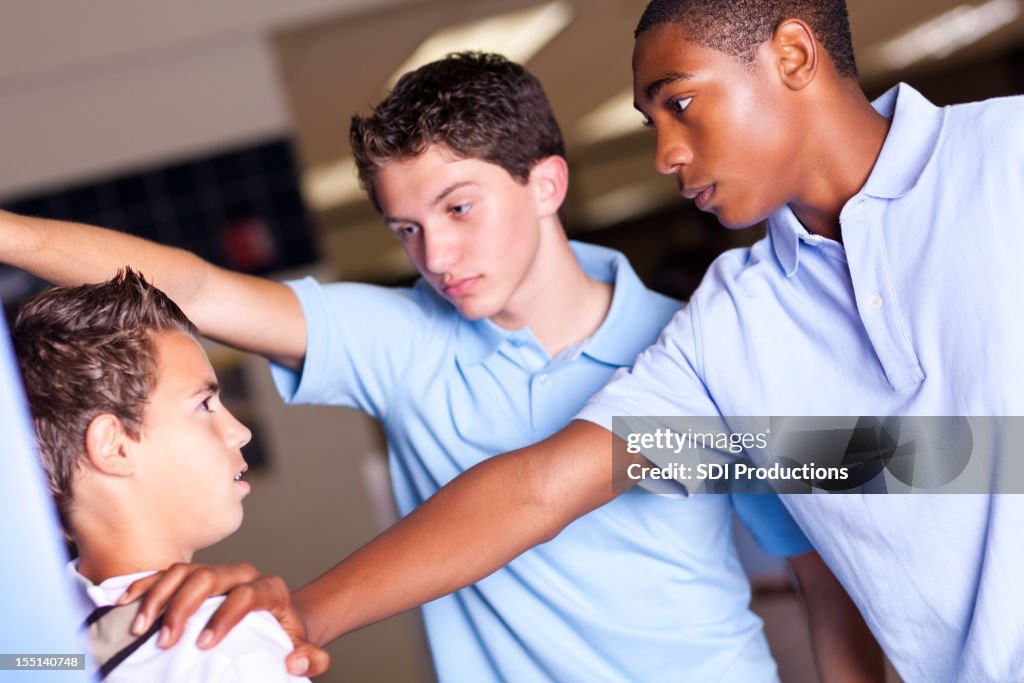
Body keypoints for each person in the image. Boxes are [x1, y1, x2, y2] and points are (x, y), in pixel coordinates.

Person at [114, 1, 1024, 682]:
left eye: (680, 103)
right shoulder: (731, 329)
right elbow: (544, 486)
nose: (666, 152)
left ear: (792, 53)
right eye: (649, 122)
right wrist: (302, 607)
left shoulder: (1006, 160)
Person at [0, 53, 875, 681]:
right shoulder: (401, 336)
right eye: (406, 229)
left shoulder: (698, 350)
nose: (438, 254)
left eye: (459, 208)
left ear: (546, 183)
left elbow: (822, 570)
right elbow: (190, 284)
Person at [10, 269, 317, 681]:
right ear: (114, 447)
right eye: (205, 405)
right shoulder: (221, 646)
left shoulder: (33, 644)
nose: (240, 431)